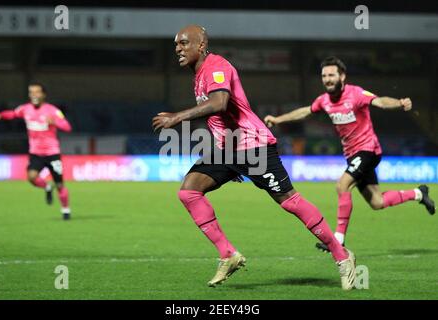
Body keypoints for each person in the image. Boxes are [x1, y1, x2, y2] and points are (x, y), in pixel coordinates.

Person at [152, 26, 356, 290]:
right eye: (175, 44)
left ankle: (342, 256)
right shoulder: (199, 75)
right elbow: (219, 119)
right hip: (228, 150)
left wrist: (178, 117)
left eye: (183, 43)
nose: (177, 48)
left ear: (201, 45)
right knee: (189, 191)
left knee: (290, 202)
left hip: (253, 146)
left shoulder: (217, 66)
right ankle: (228, 254)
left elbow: (219, 104)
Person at [264, 56, 435, 251]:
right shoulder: (324, 101)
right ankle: (419, 193)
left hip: (368, 150)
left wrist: (399, 103)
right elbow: (304, 112)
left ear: (342, 76)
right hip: (353, 155)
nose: (327, 79)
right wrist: (278, 120)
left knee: (342, 185)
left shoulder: (356, 93)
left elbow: (379, 102)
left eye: (331, 75)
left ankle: (338, 239)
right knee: (377, 202)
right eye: (324, 76)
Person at [0, 82, 72, 220]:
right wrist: (1, 115)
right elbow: (13, 114)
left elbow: (67, 127)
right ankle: (47, 187)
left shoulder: (52, 110)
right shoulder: (25, 109)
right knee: (32, 177)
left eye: (37, 92)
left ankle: (65, 210)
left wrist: (55, 122)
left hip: (52, 153)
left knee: (59, 184)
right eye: (31, 92)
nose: (34, 95)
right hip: (36, 153)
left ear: (43, 94)